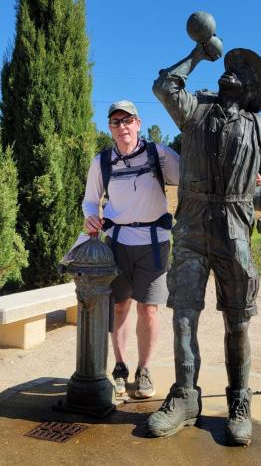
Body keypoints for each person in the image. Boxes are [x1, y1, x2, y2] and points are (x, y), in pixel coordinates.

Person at [147, 46, 261, 444]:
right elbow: (165, 85)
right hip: (192, 225)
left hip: (234, 228)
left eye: (241, 71)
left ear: (250, 89)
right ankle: (184, 397)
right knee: (183, 315)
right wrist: (198, 52)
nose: (231, 71)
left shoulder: (258, 126)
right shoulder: (195, 110)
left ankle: (238, 401)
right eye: (230, 66)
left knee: (238, 319)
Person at [82, 100, 179, 399]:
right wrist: (90, 216)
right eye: (115, 122)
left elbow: (194, 174)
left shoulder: (159, 153)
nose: (122, 126)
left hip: (154, 241)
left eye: (128, 120)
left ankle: (145, 369)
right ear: (110, 128)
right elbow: (90, 200)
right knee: (120, 306)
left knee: (149, 309)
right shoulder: (102, 161)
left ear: (138, 123)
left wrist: (248, 179)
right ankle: (120, 367)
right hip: (117, 242)